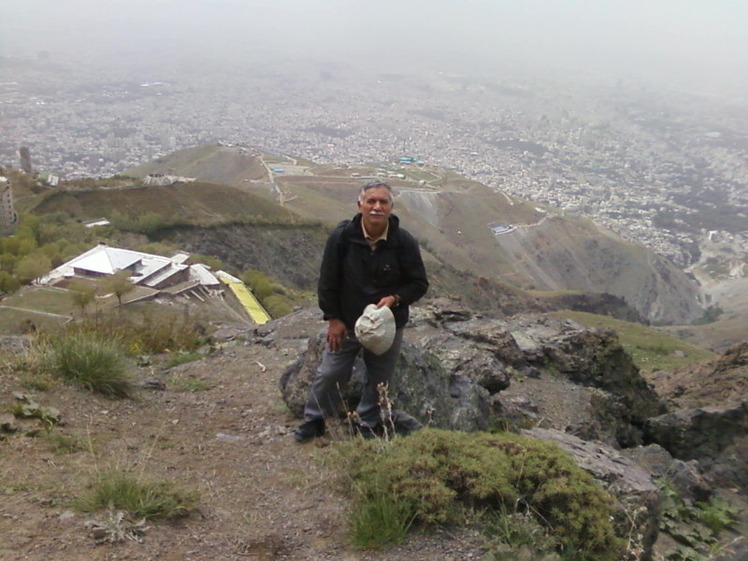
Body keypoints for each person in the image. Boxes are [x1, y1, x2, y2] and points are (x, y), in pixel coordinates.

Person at [294, 179, 429, 442]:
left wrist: (395, 299)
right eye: (371, 201)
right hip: (347, 321)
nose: (377, 207)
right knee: (331, 372)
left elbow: (419, 283)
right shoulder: (343, 237)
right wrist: (333, 319)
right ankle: (315, 419)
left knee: (380, 377)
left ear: (391, 207)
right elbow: (328, 281)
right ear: (360, 205)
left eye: (383, 202)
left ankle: (367, 423)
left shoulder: (403, 242)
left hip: (388, 325)